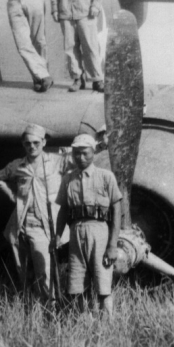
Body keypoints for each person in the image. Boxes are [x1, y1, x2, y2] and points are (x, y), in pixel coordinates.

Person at [0, 124, 73, 304]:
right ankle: (29, 307)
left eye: (36, 142)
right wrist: (11, 196)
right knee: (23, 271)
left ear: (44, 142)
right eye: (28, 143)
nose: (32, 147)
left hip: (44, 226)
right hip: (20, 224)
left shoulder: (57, 161)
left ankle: (49, 309)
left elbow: (83, 156)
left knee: (45, 272)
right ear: (23, 144)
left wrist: (101, 143)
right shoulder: (17, 165)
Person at [55, 134, 122, 315]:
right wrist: (58, 235)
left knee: (103, 282)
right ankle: (82, 322)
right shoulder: (68, 179)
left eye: (85, 153)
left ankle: (108, 322)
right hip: (76, 232)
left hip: (100, 230)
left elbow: (116, 211)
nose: (80, 158)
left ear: (93, 152)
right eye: (76, 154)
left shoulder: (106, 176)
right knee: (76, 282)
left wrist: (112, 245)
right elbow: (63, 211)